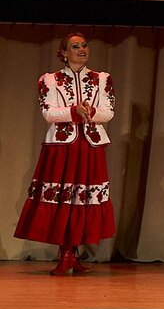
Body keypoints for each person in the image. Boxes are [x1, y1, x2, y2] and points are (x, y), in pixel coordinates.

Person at [15, 32, 117, 274]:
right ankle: (65, 253)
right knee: (63, 197)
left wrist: (90, 111)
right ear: (63, 53)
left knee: (82, 198)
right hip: (62, 146)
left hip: (90, 145)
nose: (81, 49)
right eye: (75, 46)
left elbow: (109, 112)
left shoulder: (102, 79)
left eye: (84, 45)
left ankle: (74, 252)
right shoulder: (49, 80)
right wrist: (74, 111)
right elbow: (48, 113)